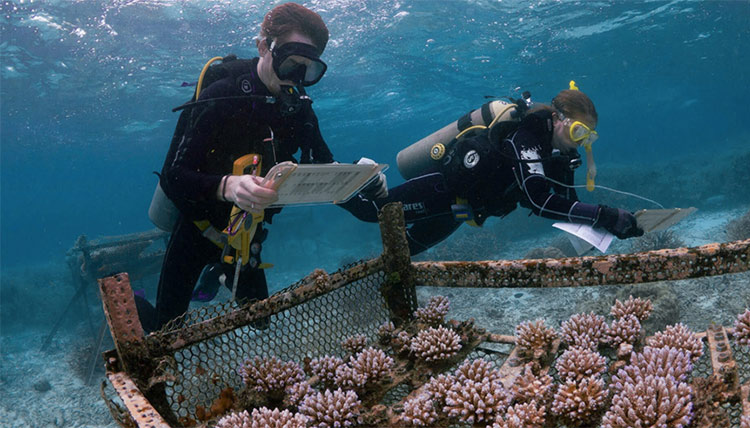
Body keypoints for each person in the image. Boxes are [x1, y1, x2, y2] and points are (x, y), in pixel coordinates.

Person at [138, 3, 337, 332]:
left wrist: (362, 181)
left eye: (308, 70)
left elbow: (323, 165)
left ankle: (216, 274)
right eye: (289, 63)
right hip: (199, 229)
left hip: (249, 236)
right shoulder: (221, 95)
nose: (295, 79)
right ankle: (135, 296)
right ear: (264, 47)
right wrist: (226, 186)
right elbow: (174, 176)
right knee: (165, 329)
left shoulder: (300, 109)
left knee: (260, 323)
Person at [339, 86, 644, 256]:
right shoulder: (525, 137)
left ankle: (374, 273)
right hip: (441, 189)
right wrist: (605, 215)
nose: (579, 142)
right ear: (558, 118)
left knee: (408, 250)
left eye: (587, 137)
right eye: (577, 131)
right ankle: (351, 182)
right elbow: (539, 202)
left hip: (461, 210)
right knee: (372, 213)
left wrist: (605, 225)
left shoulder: (558, 155)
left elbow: (565, 204)